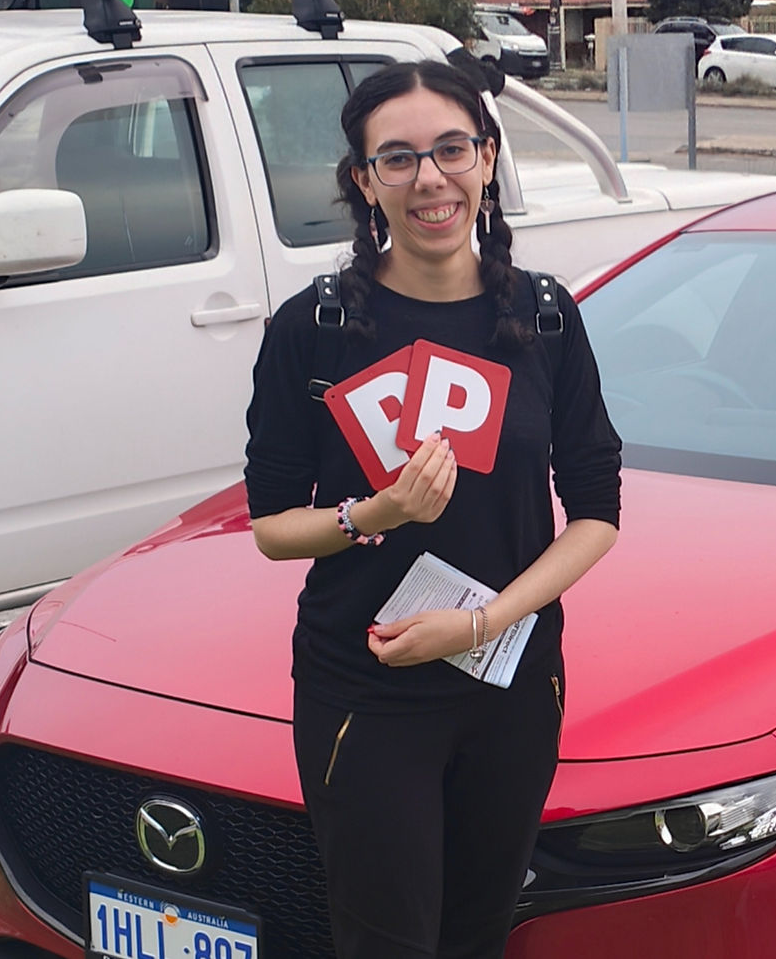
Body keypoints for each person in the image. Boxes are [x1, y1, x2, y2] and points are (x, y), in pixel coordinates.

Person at [244, 59, 621, 959]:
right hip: (367, 689)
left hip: (511, 683)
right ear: (363, 180)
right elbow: (268, 529)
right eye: (399, 158)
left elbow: (598, 512)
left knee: (479, 932)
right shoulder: (315, 327)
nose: (430, 179)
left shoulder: (546, 317)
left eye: (451, 150)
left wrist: (484, 621)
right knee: (387, 940)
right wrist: (374, 512)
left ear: (487, 160)